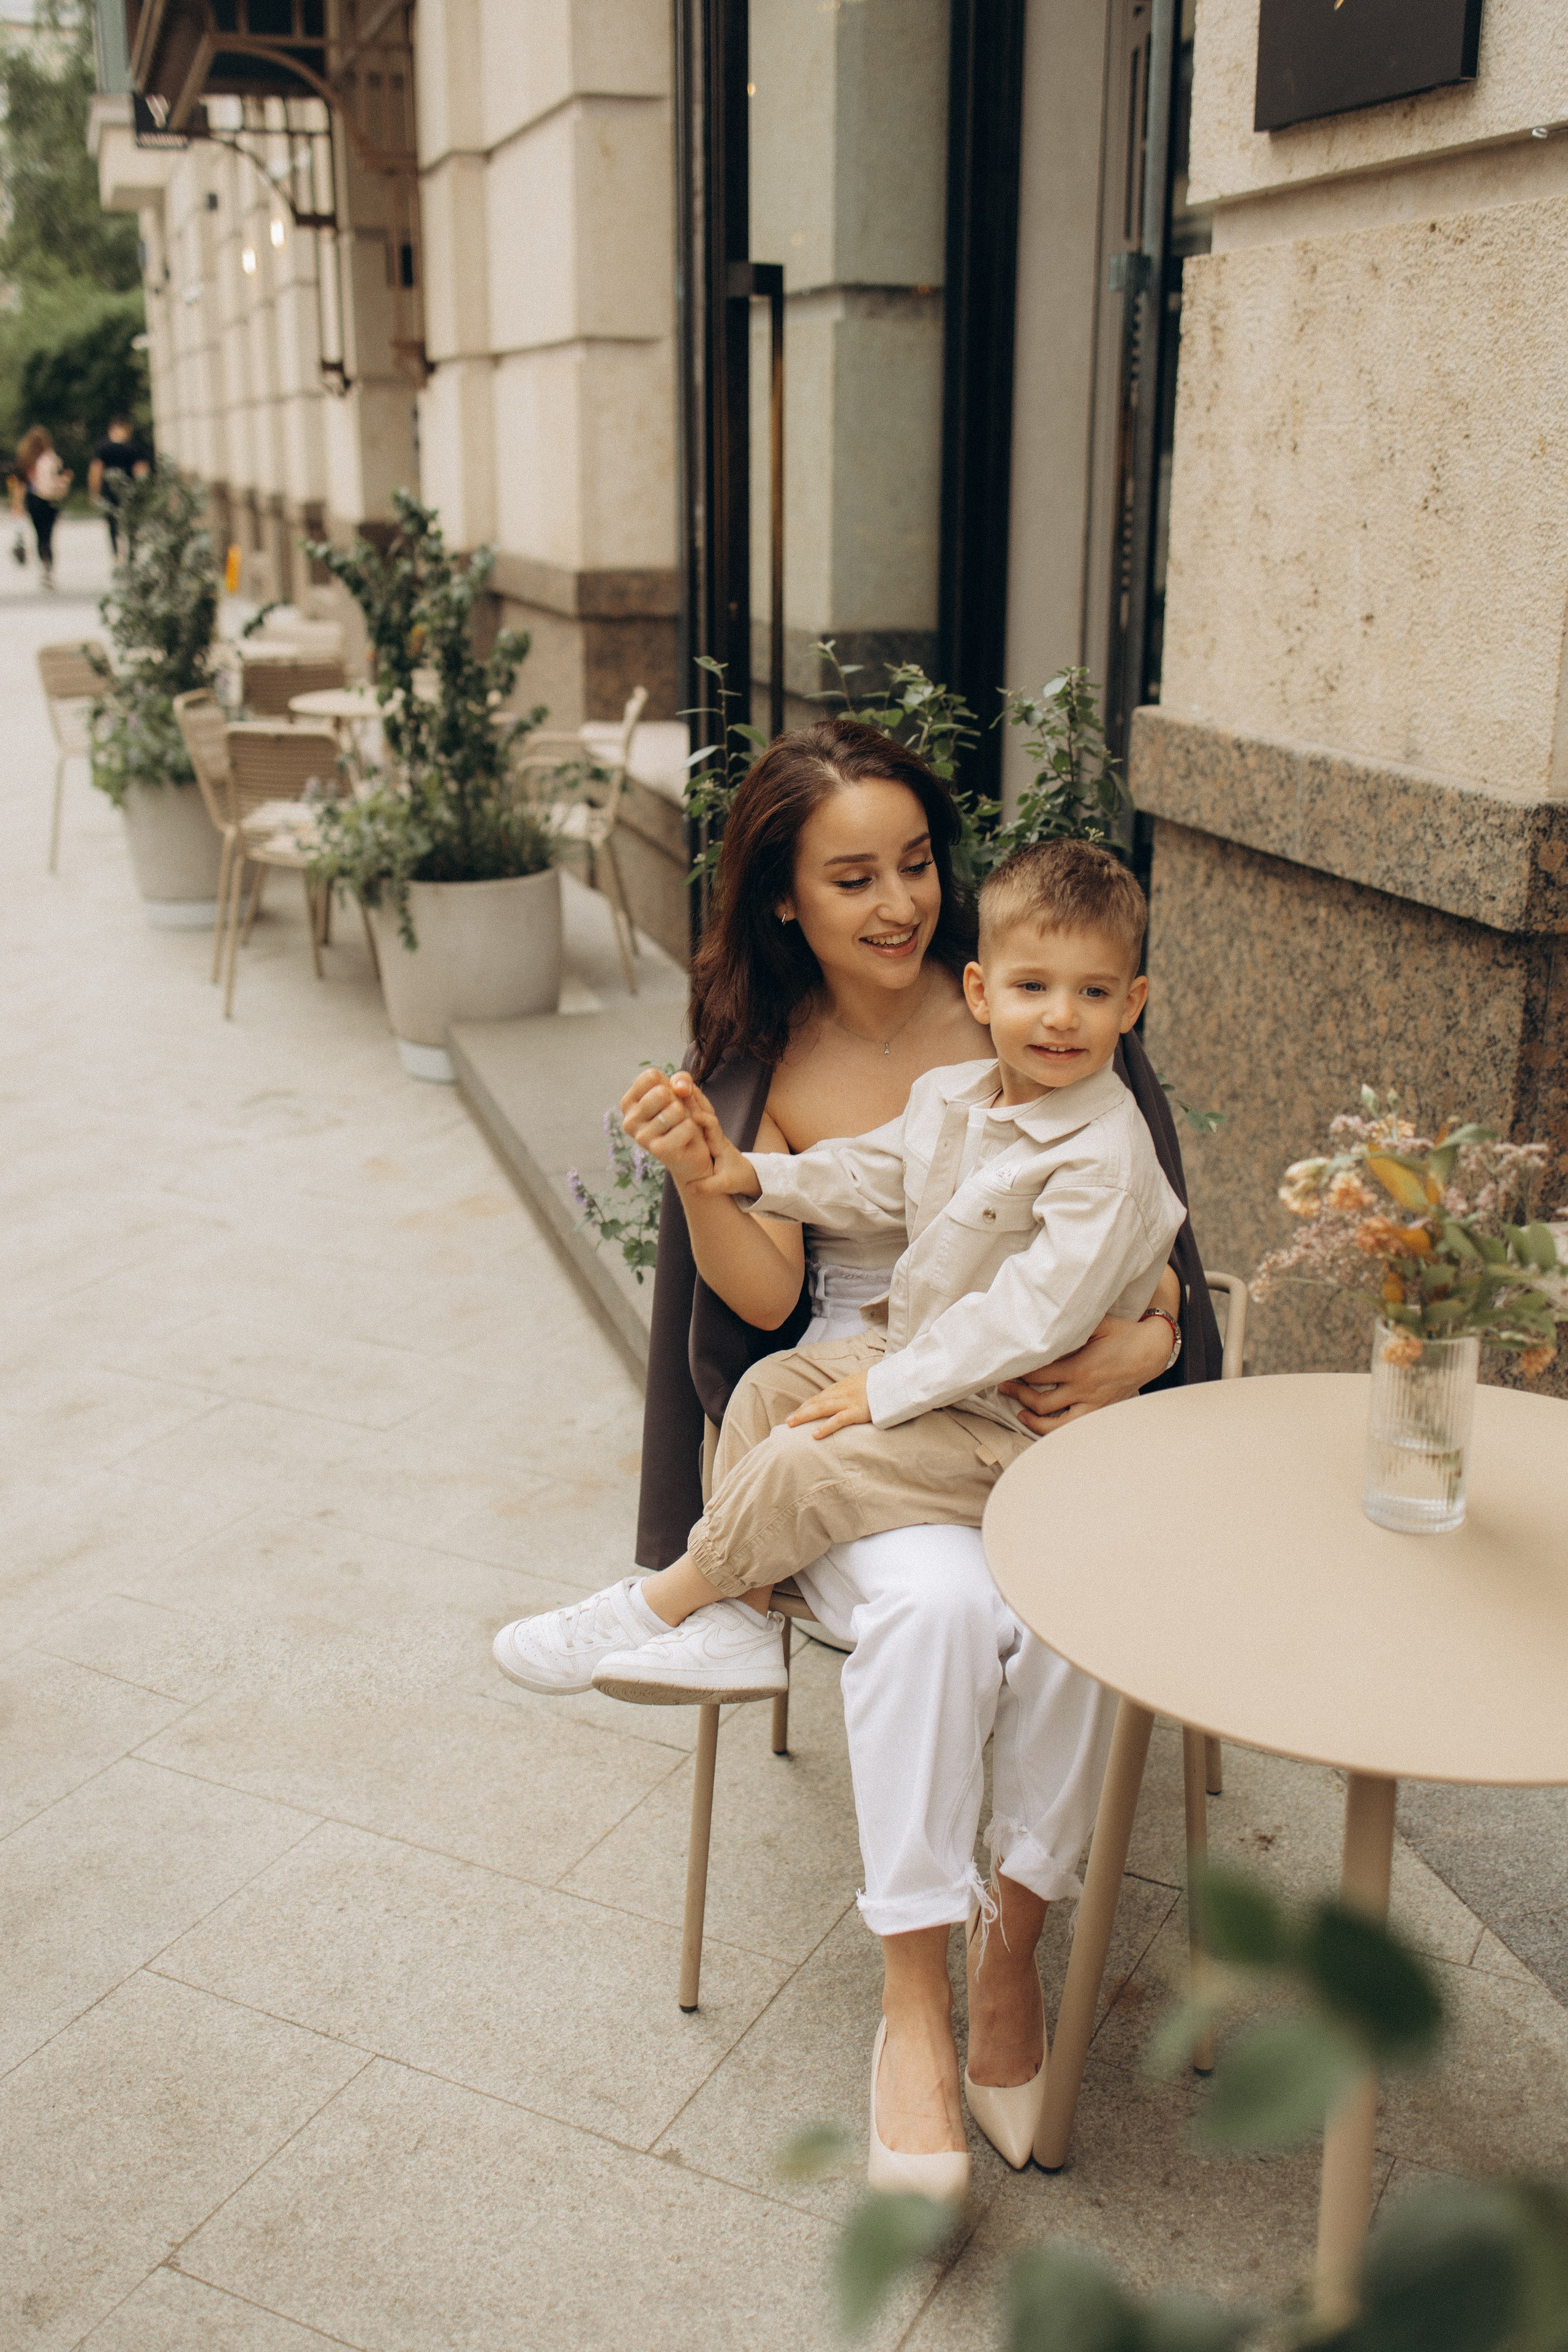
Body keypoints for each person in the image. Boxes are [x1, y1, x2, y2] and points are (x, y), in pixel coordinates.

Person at [494, 717, 1221, 2193]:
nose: (897, 899)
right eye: (852, 876)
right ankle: (908, 1996)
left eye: (911, 863)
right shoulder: (780, 1052)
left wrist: (1143, 1344)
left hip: (1001, 1385)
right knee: (919, 1578)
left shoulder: (1046, 1017)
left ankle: (1007, 1950)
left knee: (1059, 1609)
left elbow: (1144, 1265)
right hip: (865, 1355)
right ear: (784, 898)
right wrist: (715, 1170)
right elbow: (761, 1299)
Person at [567, 839, 1185, 1700]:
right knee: (763, 1395)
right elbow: (871, 1171)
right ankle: (741, 1624)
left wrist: (1158, 1333)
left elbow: (1042, 1305)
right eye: (855, 879)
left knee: (803, 1463)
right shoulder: (952, 1090)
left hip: (1007, 1406)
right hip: (915, 1348)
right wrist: (745, 1176)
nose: (1061, 1017)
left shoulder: (1094, 1123)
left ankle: (652, 1608)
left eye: (1092, 995)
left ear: (1131, 1004)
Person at [15, 426, 72, 587]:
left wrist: (17, 504)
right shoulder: (52, 459)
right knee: (48, 535)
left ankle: (45, 566)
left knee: (40, 535)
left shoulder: (26, 461)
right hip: (51, 501)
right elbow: (61, 477)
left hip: (33, 501)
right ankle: (49, 568)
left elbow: (22, 485)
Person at [88, 416, 151, 557]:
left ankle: (117, 555)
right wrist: (144, 491)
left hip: (109, 491)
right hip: (130, 490)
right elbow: (141, 469)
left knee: (112, 523)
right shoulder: (133, 447)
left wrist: (94, 493)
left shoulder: (103, 447)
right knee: (131, 522)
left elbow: (96, 470)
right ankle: (131, 552)